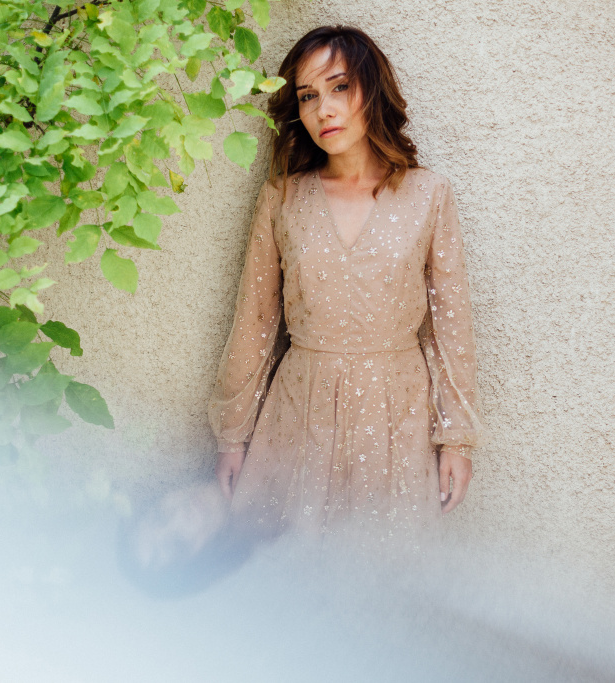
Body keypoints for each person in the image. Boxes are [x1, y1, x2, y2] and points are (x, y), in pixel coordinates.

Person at [208, 26, 490, 553]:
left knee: (382, 566)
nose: (324, 110)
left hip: (396, 409)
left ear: (372, 90)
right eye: (307, 96)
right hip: (300, 406)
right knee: (287, 564)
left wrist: (456, 439)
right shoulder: (282, 196)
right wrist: (232, 435)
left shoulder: (429, 195)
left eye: (339, 87)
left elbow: (451, 327)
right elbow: (256, 319)